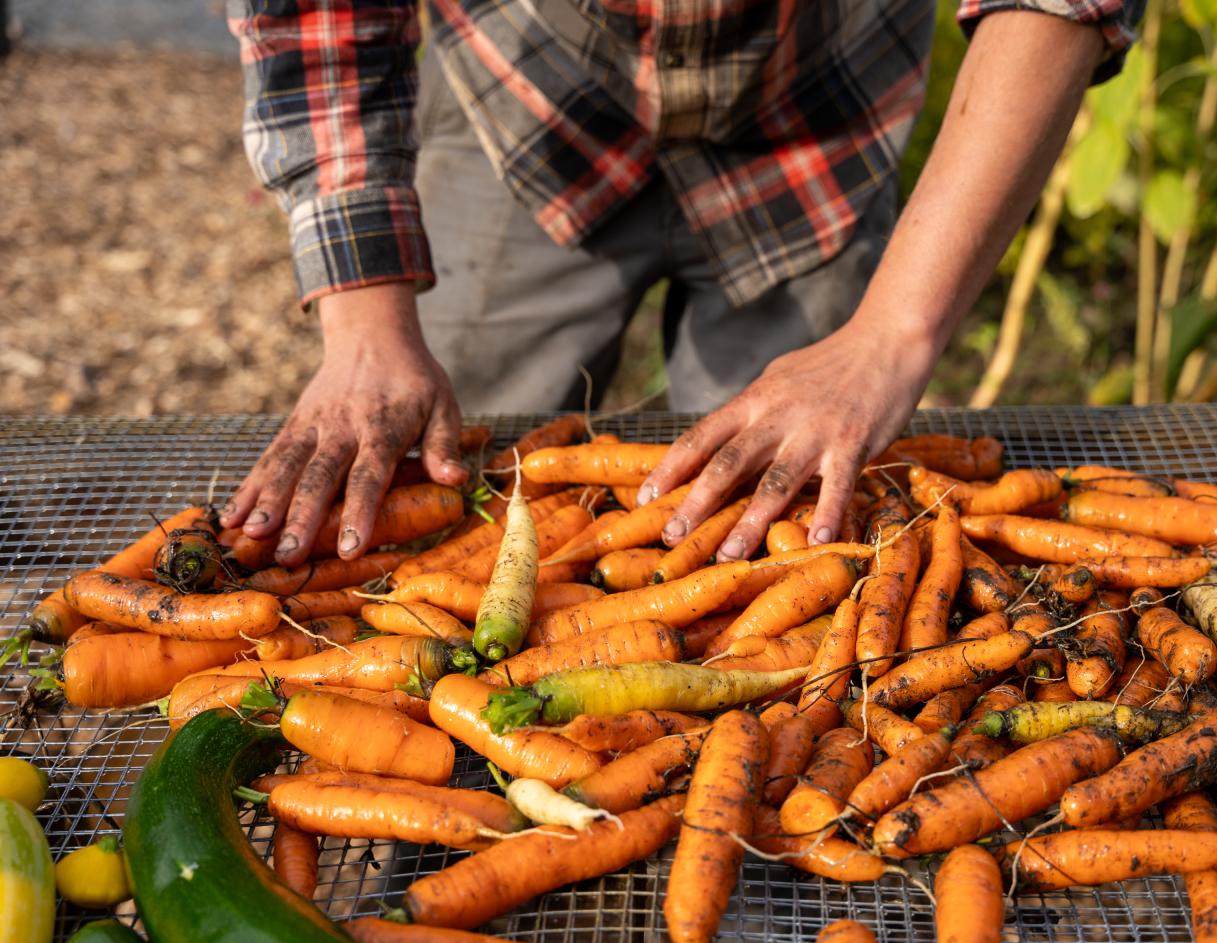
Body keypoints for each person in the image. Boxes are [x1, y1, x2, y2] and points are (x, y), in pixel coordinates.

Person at [219, 0, 1143, 564]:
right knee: (441, 499)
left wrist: (888, 336)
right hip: (530, 89)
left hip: (815, 109)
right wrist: (369, 329)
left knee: (791, 526)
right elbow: (319, 14)